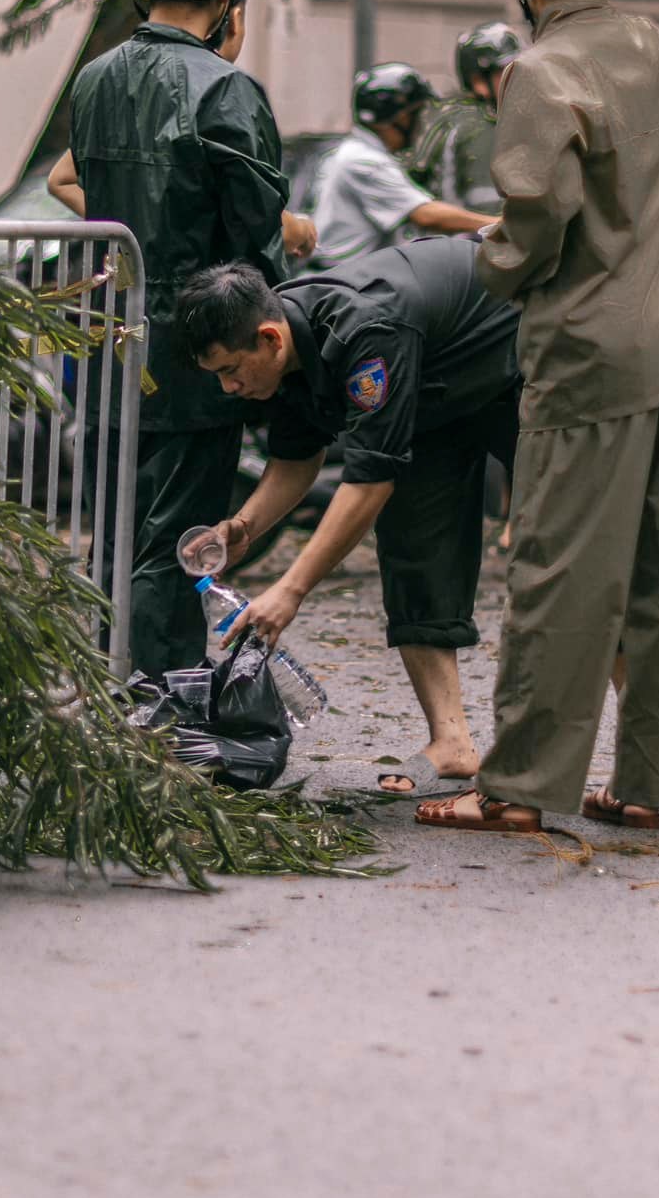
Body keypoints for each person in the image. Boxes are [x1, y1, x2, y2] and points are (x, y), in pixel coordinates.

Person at [416, 0, 659, 837]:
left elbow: (536, 217)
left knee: (558, 571)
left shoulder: (539, 75)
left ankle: (519, 788)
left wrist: (492, 267)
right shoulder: (649, 45)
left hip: (592, 352)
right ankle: (651, 781)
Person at [62, 0, 315, 676]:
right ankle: (160, 708)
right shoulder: (228, 91)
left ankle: (109, 699)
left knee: (115, 534)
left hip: (108, 343)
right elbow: (254, 238)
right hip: (199, 355)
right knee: (177, 541)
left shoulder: (94, 78)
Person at [176, 237, 520, 796]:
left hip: (509, 367)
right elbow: (296, 457)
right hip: (432, 399)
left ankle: (624, 753)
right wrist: (243, 526)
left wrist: (291, 590)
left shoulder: (363, 331)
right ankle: (452, 742)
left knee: (566, 552)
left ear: (268, 338)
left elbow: (368, 480)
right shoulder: (282, 351)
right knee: (412, 552)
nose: (229, 387)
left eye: (231, 370)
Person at [310, 63, 496, 267]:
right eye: (415, 115)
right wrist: (497, 225)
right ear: (397, 118)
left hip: (349, 279)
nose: (419, 124)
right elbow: (425, 214)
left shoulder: (355, 152)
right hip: (346, 285)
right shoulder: (363, 161)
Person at [407, 21, 523, 213]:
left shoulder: (454, 117)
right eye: (507, 71)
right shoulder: (476, 126)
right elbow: (492, 210)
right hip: (469, 238)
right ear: (479, 82)